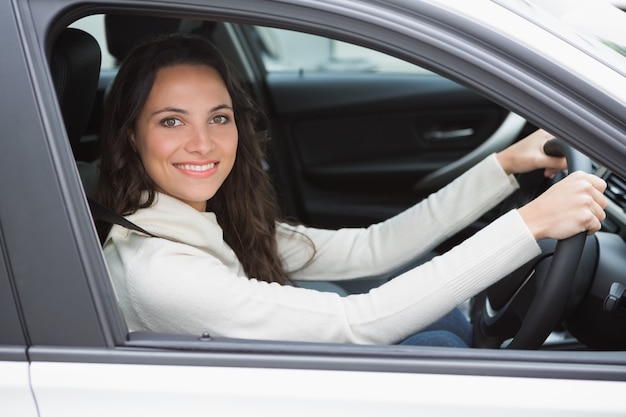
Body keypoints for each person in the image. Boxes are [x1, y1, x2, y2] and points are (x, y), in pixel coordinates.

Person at [97, 33, 607, 347]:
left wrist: (505, 165)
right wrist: (530, 224)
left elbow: (372, 247)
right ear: (131, 136)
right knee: (439, 346)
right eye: (171, 121)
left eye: (219, 117)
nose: (202, 142)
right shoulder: (162, 273)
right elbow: (355, 324)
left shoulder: (199, 221)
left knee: (445, 325)